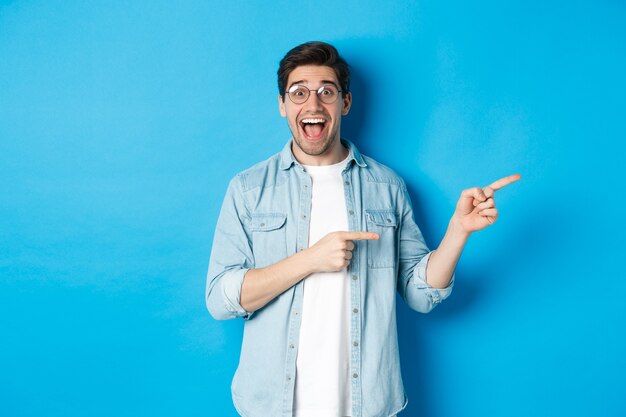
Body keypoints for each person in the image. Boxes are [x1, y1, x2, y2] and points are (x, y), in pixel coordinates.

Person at [205, 41, 520, 417]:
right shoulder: (248, 188)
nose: (313, 103)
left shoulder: (387, 186)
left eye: (327, 91)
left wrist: (458, 231)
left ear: (345, 103)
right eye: (299, 92)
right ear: (282, 106)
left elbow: (420, 295)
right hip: (272, 404)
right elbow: (221, 299)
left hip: (365, 403)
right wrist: (311, 259)